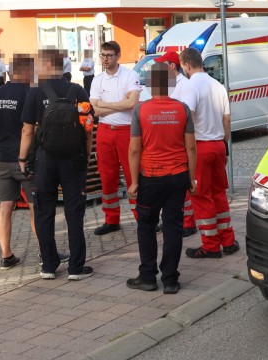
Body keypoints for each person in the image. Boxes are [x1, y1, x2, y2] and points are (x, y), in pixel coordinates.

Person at [0, 54, 68, 269]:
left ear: (9, 71)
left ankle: (6, 256)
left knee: (5, 207)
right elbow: (33, 129)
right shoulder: (32, 93)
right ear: (28, 72)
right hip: (27, 160)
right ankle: (45, 253)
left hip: (3, 161)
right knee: (36, 207)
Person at [19, 48, 93, 281]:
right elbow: (88, 127)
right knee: (74, 212)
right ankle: (76, 268)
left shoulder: (35, 92)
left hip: (45, 160)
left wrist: (22, 159)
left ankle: (49, 266)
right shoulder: (78, 90)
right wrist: (86, 156)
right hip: (73, 160)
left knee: (43, 211)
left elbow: (28, 131)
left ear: (48, 66)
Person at [126, 63, 197, 294]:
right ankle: (170, 280)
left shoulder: (140, 110)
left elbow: (135, 150)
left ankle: (147, 276)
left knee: (146, 226)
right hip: (177, 177)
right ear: (172, 82)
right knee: (173, 227)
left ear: (148, 84)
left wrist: (134, 182)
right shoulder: (182, 109)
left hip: (150, 178)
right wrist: (192, 178)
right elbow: (191, 148)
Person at [179, 47, 239, 259]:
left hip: (200, 147)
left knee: (201, 195)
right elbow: (227, 120)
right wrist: (224, 144)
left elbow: (188, 118)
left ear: (186, 65)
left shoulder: (190, 86)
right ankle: (228, 240)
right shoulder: (218, 85)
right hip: (218, 145)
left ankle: (211, 245)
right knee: (219, 193)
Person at [89, 41, 141, 235]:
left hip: (126, 131)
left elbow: (133, 103)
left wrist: (105, 105)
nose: (105, 59)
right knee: (107, 176)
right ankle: (111, 220)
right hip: (104, 131)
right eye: (102, 55)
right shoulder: (97, 80)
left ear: (118, 56)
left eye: (109, 55)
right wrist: (121, 103)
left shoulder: (130, 75)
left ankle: (142, 218)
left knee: (133, 175)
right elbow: (93, 109)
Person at [154, 51, 197, 238]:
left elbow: (185, 117)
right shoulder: (168, 85)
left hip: (179, 141)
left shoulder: (185, 86)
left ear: (171, 66)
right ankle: (171, 220)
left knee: (183, 183)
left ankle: (188, 224)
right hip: (167, 141)